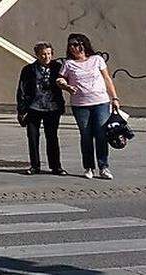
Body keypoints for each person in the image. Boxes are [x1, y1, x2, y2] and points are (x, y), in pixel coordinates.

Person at [57, 33, 121, 180]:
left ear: (83, 44)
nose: (73, 47)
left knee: (101, 134)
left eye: (76, 44)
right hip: (80, 105)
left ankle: (103, 167)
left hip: (101, 102)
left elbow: (107, 78)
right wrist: (65, 85)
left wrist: (115, 98)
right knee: (86, 135)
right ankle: (89, 167)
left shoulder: (97, 59)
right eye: (70, 45)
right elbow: (60, 79)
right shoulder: (68, 64)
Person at [15, 42, 66, 175]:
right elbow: (21, 90)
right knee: (33, 137)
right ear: (37, 55)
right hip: (33, 107)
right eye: (43, 54)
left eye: (49, 53)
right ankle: (35, 165)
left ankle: (56, 166)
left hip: (52, 107)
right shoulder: (28, 69)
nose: (46, 56)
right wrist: (21, 110)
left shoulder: (58, 67)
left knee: (52, 137)